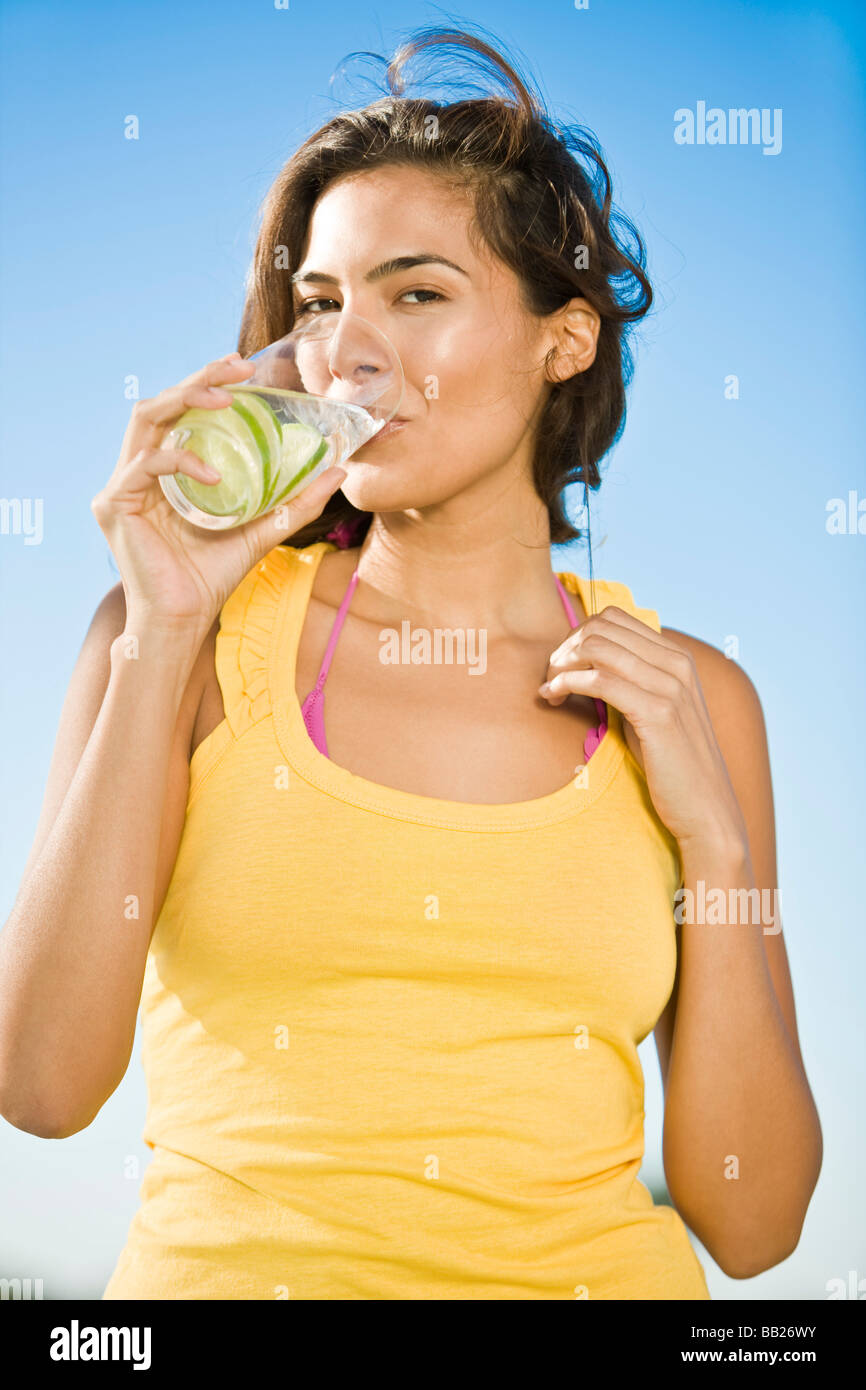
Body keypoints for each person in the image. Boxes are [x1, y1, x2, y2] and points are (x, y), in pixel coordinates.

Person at [0, 25, 821, 1300]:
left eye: (416, 293)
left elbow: (754, 1219)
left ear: (565, 339)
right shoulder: (177, 637)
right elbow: (42, 1088)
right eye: (321, 303)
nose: (348, 350)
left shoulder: (695, 698)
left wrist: (713, 846)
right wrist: (161, 635)